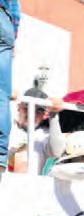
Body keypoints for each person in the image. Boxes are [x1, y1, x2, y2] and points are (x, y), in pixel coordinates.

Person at [6, 87, 66, 173]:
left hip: (31, 181)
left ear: (44, 114)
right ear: (19, 107)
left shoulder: (44, 135)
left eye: (38, 111)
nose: (32, 114)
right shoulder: (8, 125)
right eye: (27, 108)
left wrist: (53, 114)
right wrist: (4, 96)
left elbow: (56, 152)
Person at [0, 0, 20, 173]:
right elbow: (15, 11)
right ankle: (0, 158)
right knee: (1, 95)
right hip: (5, 22)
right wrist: (13, 32)